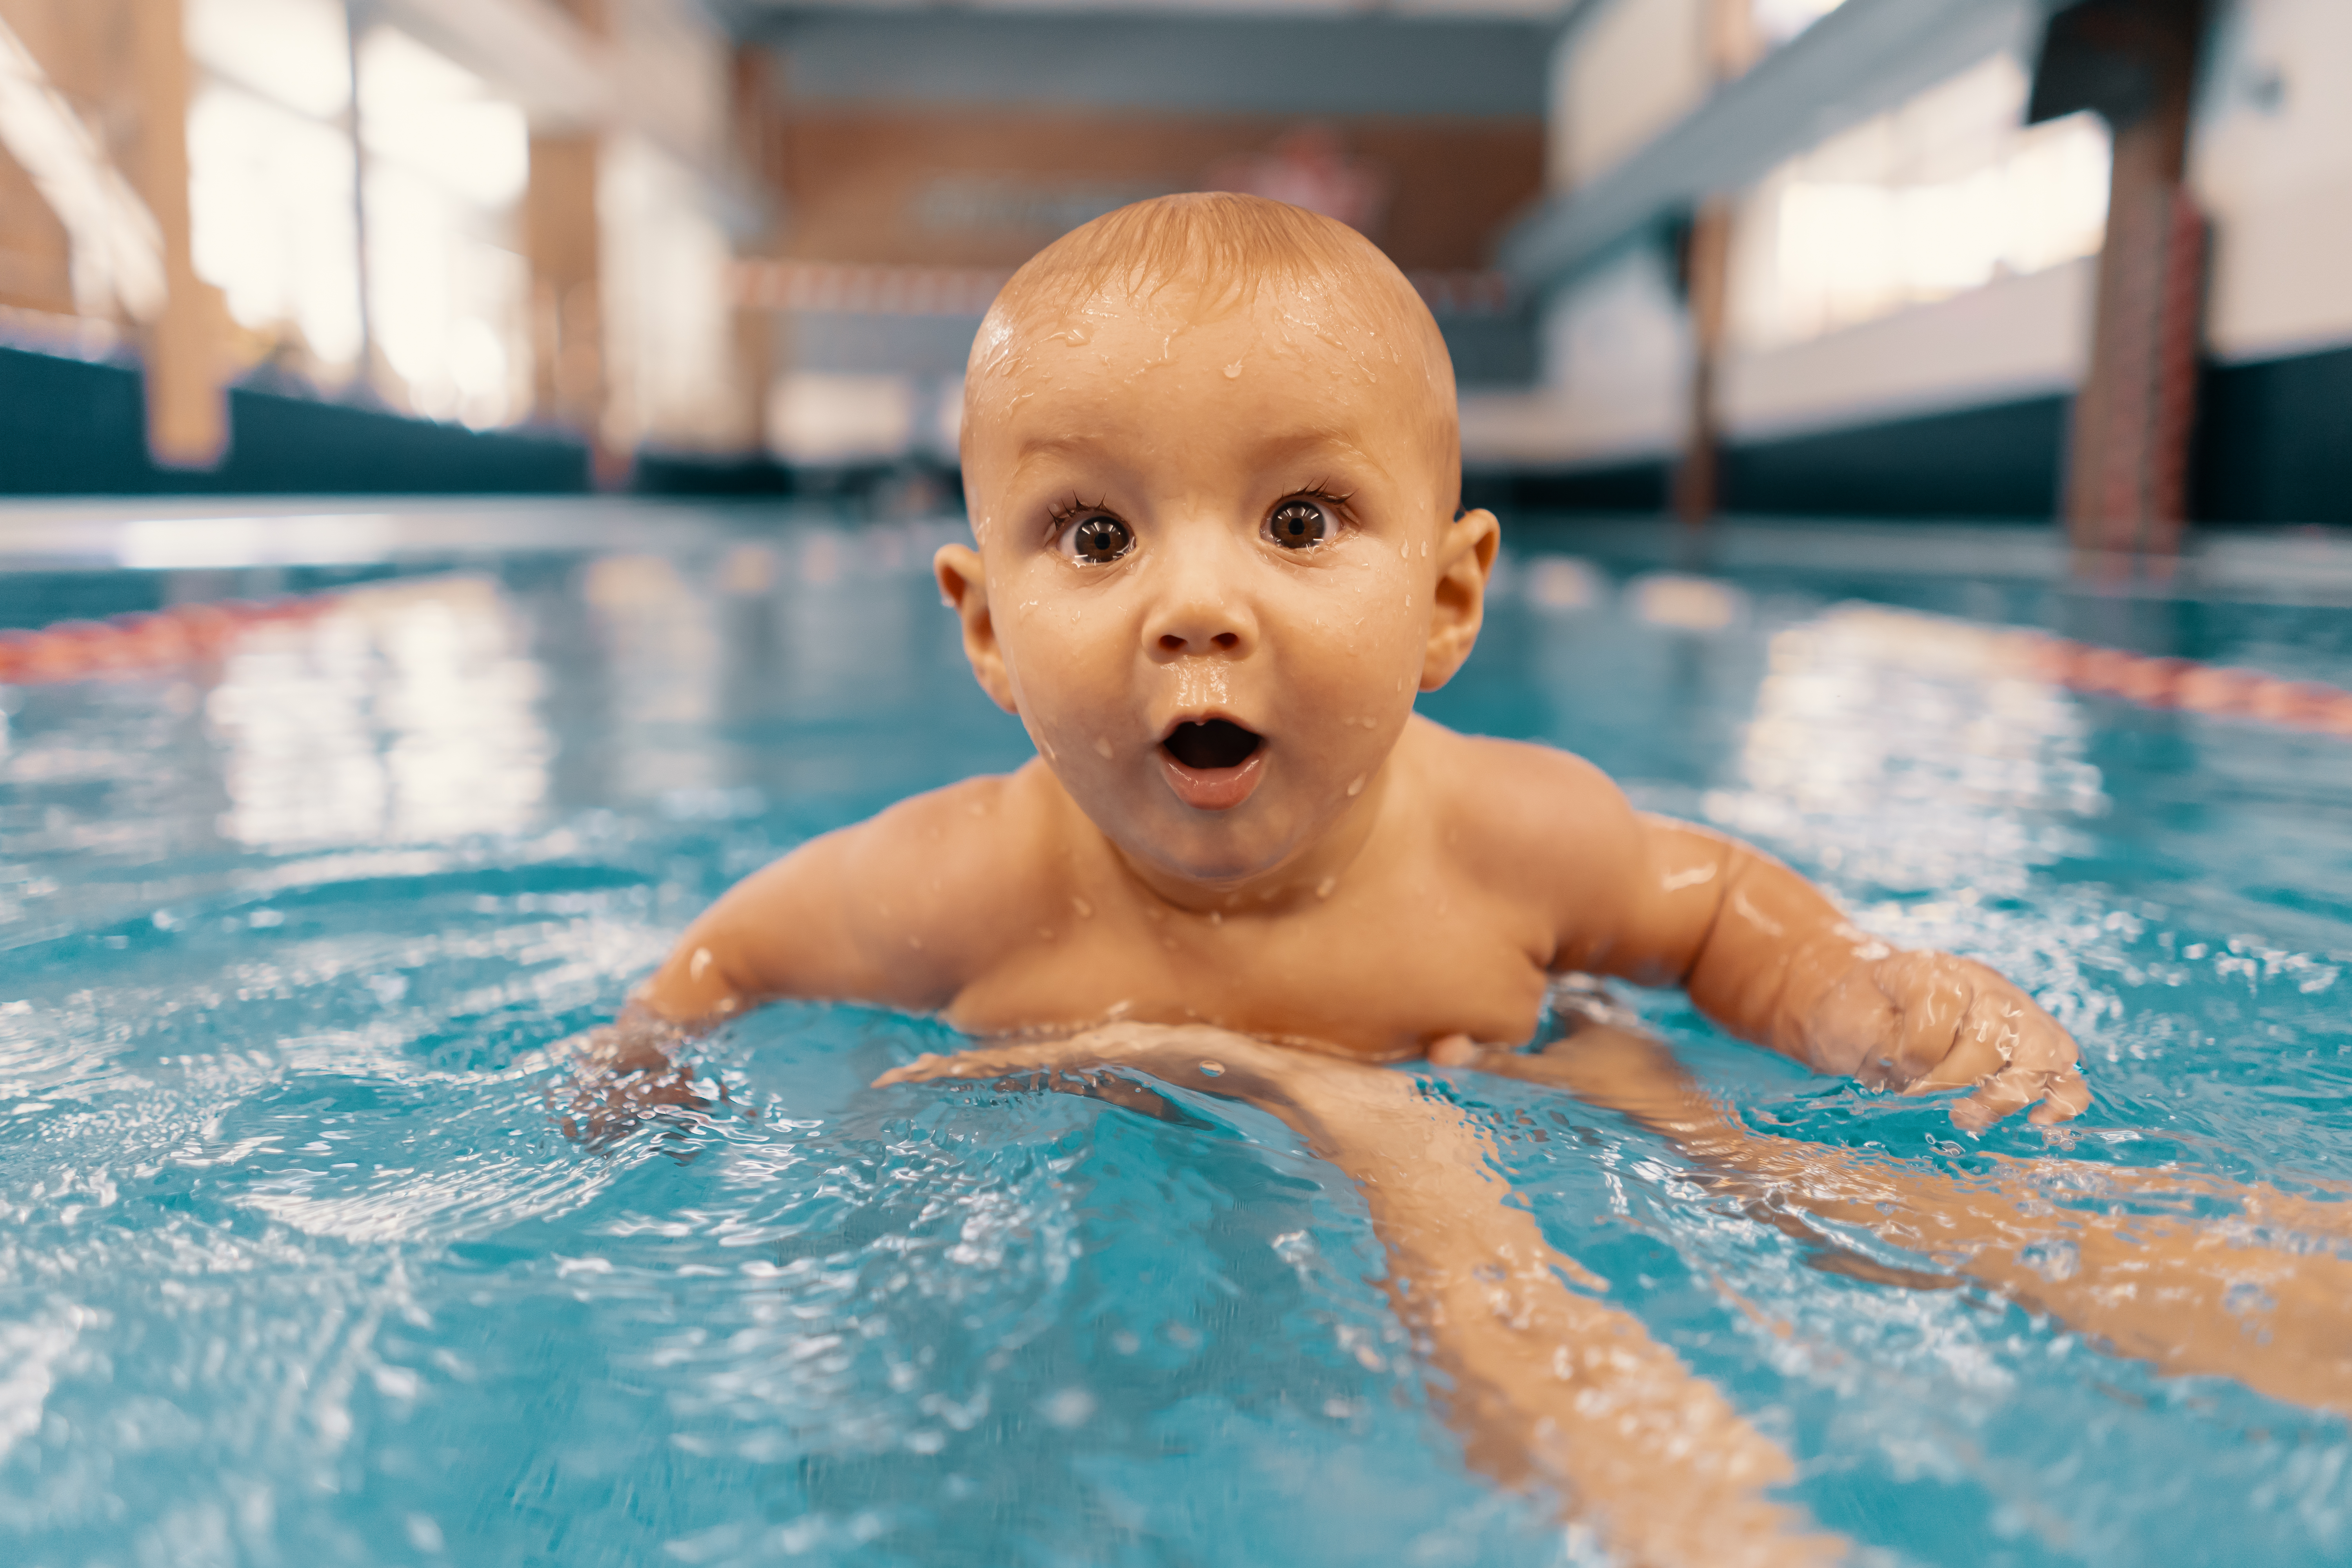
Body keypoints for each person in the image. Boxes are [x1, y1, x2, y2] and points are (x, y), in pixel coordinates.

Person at [567, 194, 2345, 1564]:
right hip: (1225, 1169)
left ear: (1447, 599)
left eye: (1300, 521)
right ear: (980, 625)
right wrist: (642, 1059)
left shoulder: (1501, 832)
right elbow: (725, 963)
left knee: (1798, 1190)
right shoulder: (952, 882)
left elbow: (1711, 906)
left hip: (1537, 1087)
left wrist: (1860, 998)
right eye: (1095, 535)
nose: (1200, 601)